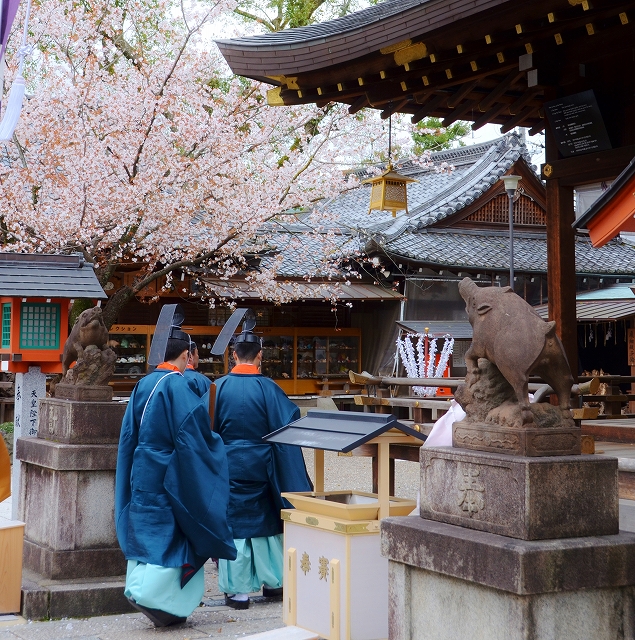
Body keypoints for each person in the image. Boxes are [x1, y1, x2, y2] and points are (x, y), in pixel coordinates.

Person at [115, 331, 236, 627]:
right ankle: (159, 601)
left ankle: (138, 588)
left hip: (142, 470)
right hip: (168, 473)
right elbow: (194, 438)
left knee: (146, 529)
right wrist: (216, 446)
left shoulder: (142, 384)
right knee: (170, 534)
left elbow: (128, 435)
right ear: (185, 356)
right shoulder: (176, 387)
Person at [214, 332, 312, 609]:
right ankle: (275, 582)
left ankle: (238, 592)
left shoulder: (217, 388)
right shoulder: (270, 389)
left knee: (234, 524)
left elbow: (206, 430)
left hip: (228, 465)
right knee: (268, 520)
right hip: (264, 464)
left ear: (233, 355)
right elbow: (289, 425)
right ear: (260, 355)